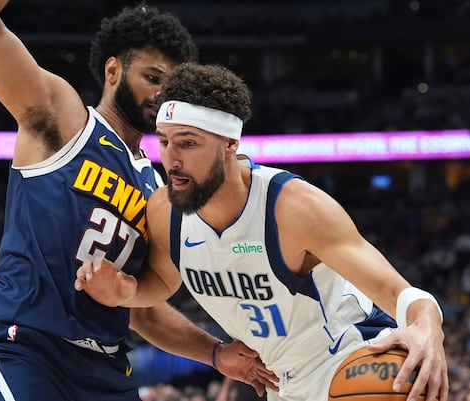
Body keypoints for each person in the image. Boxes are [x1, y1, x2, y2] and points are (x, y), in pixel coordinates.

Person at [0, 2, 276, 400]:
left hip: (107, 369)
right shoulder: (65, 118)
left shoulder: (156, 187)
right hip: (29, 347)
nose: (160, 94)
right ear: (113, 71)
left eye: (169, 87)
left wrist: (214, 353)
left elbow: (140, 306)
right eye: (152, 77)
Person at [74, 62, 449, 401]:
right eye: (165, 141)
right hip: (282, 384)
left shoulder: (295, 209)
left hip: (348, 357)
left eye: (188, 143)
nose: (172, 159)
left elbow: (399, 292)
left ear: (229, 144)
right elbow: (162, 280)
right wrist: (129, 291)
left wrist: (428, 327)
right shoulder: (164, 211)